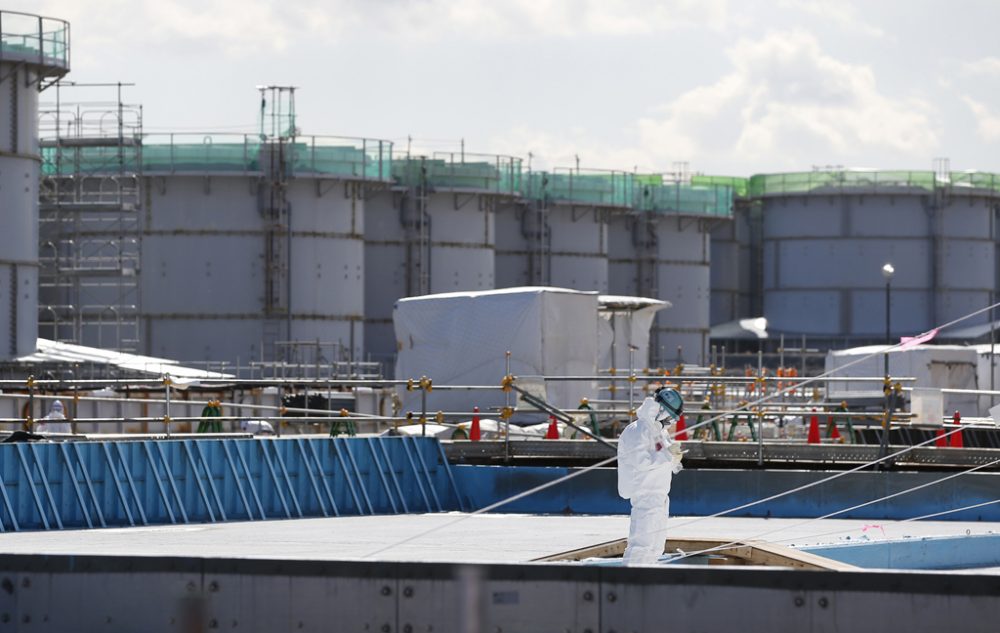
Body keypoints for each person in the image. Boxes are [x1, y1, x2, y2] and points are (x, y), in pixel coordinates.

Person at [617, 387, 685, 565]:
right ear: (660, 410)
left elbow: (667, 462)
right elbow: (641, 462)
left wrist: (675, 459)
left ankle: (646, 581)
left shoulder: (659, 432)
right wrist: (668, 457)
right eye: (670, 417)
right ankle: (631, 583)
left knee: (655, 547)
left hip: (660, 497)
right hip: (645, 495)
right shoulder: (636, 430)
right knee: (642, 545)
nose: (670, 422)